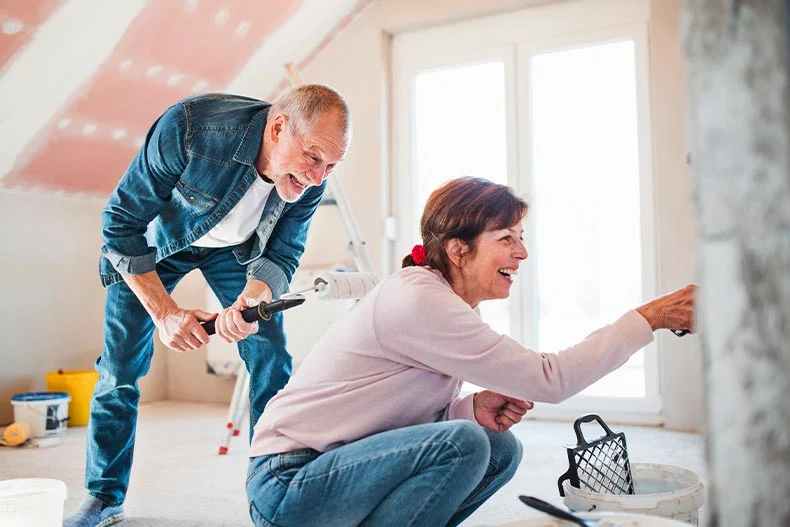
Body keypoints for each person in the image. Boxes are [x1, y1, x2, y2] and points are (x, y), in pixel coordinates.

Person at [245, 176, 696, 527]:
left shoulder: (446, 303)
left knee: (499, 447)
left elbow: (382, 419)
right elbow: (550, 380)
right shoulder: (419, 299)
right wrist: (650, 317)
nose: (521, 252)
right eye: (506, 238)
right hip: (289, 483)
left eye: (520, 237)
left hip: (331, 471)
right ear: (458, 250)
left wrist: (467, 407)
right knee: (464, 445)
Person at [64, 85, 352, 527]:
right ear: (278, 128)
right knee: (119, 369)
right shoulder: (191, 129)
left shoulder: (313, 175)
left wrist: (250, 302)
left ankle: (274, 488)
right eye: (314, 158)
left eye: (331, 165)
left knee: (270, 353)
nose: (318, 176)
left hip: (234, 252)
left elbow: (283, 252)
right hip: (157, 246)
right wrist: (165, 313)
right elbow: (120, 224)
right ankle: (104, 496)